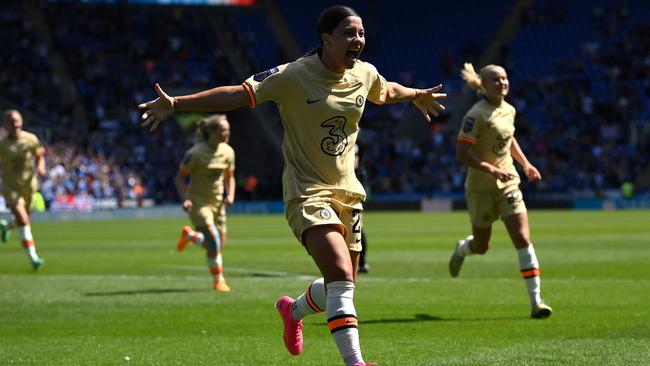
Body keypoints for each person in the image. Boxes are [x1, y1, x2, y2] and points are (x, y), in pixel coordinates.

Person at [138, 5, 446, 365]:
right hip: (306, 191)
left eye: (361, 33)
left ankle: (293, 311)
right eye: (349, 33)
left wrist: (414, 95)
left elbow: (385, 90)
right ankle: (356, 363)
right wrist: (176, 103)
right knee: (342, 276)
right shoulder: (293, 76)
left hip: (349, 192)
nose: (358, 40)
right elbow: (237, 94)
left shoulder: (364, 73)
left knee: (341, 286)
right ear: (326, 39)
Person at [449, 63, 552, 319]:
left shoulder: (509, 110)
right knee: (482, 246)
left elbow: (509, 138)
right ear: (483, 85)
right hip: (480, 188)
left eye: (505, 78)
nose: (502, 83)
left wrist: (525, 164)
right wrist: (491, 170)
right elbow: (462, 153)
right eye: (495, 79)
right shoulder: (476, 115)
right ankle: (463, 249)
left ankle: (536, 301)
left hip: (508, 183)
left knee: (522, 238)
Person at [175, 114, 235, 292]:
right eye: (223, 129)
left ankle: (190, 237)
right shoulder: (194, 154)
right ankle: (219, 281)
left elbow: (229, 177)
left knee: (215, 245)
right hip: (198, 203)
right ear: (212, 132)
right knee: (214, 241)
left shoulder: (228, 151)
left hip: (218, 204)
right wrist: (184, 199)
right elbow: (180, 178)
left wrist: (230, 194)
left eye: (228, 129)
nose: (227, 133)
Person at [0, 110, 46, 270]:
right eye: (12, 122)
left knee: (24, 218)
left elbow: (40, 154)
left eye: (17, 121)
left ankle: (6, 226)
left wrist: (40, 167)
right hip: (10, 187)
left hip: (28, 186)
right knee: (24, 219)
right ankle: (33, 258)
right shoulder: (3, 145)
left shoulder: (30, 139)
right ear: (6, 125)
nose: (15, 124)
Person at [354, 144, 370, 273]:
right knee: (357, 229)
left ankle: (361, 262)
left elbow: (355, 164)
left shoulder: (353, 145)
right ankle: (360, 263)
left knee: (357, 229)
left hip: (352, 193)